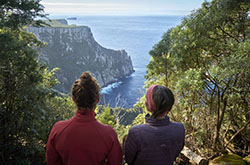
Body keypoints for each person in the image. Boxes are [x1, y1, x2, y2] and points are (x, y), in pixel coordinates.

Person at [46, 72, 122, 165]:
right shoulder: (108, 134)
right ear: (97, 99)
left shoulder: (58, 130)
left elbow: (51, 161)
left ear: (73, 99)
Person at [124, 85, 185, 165]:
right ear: (170, 106)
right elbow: (177, 151)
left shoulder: (136, 132)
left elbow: (128, 160)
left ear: (148, 105)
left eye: (147, 99)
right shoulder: (179, 129)